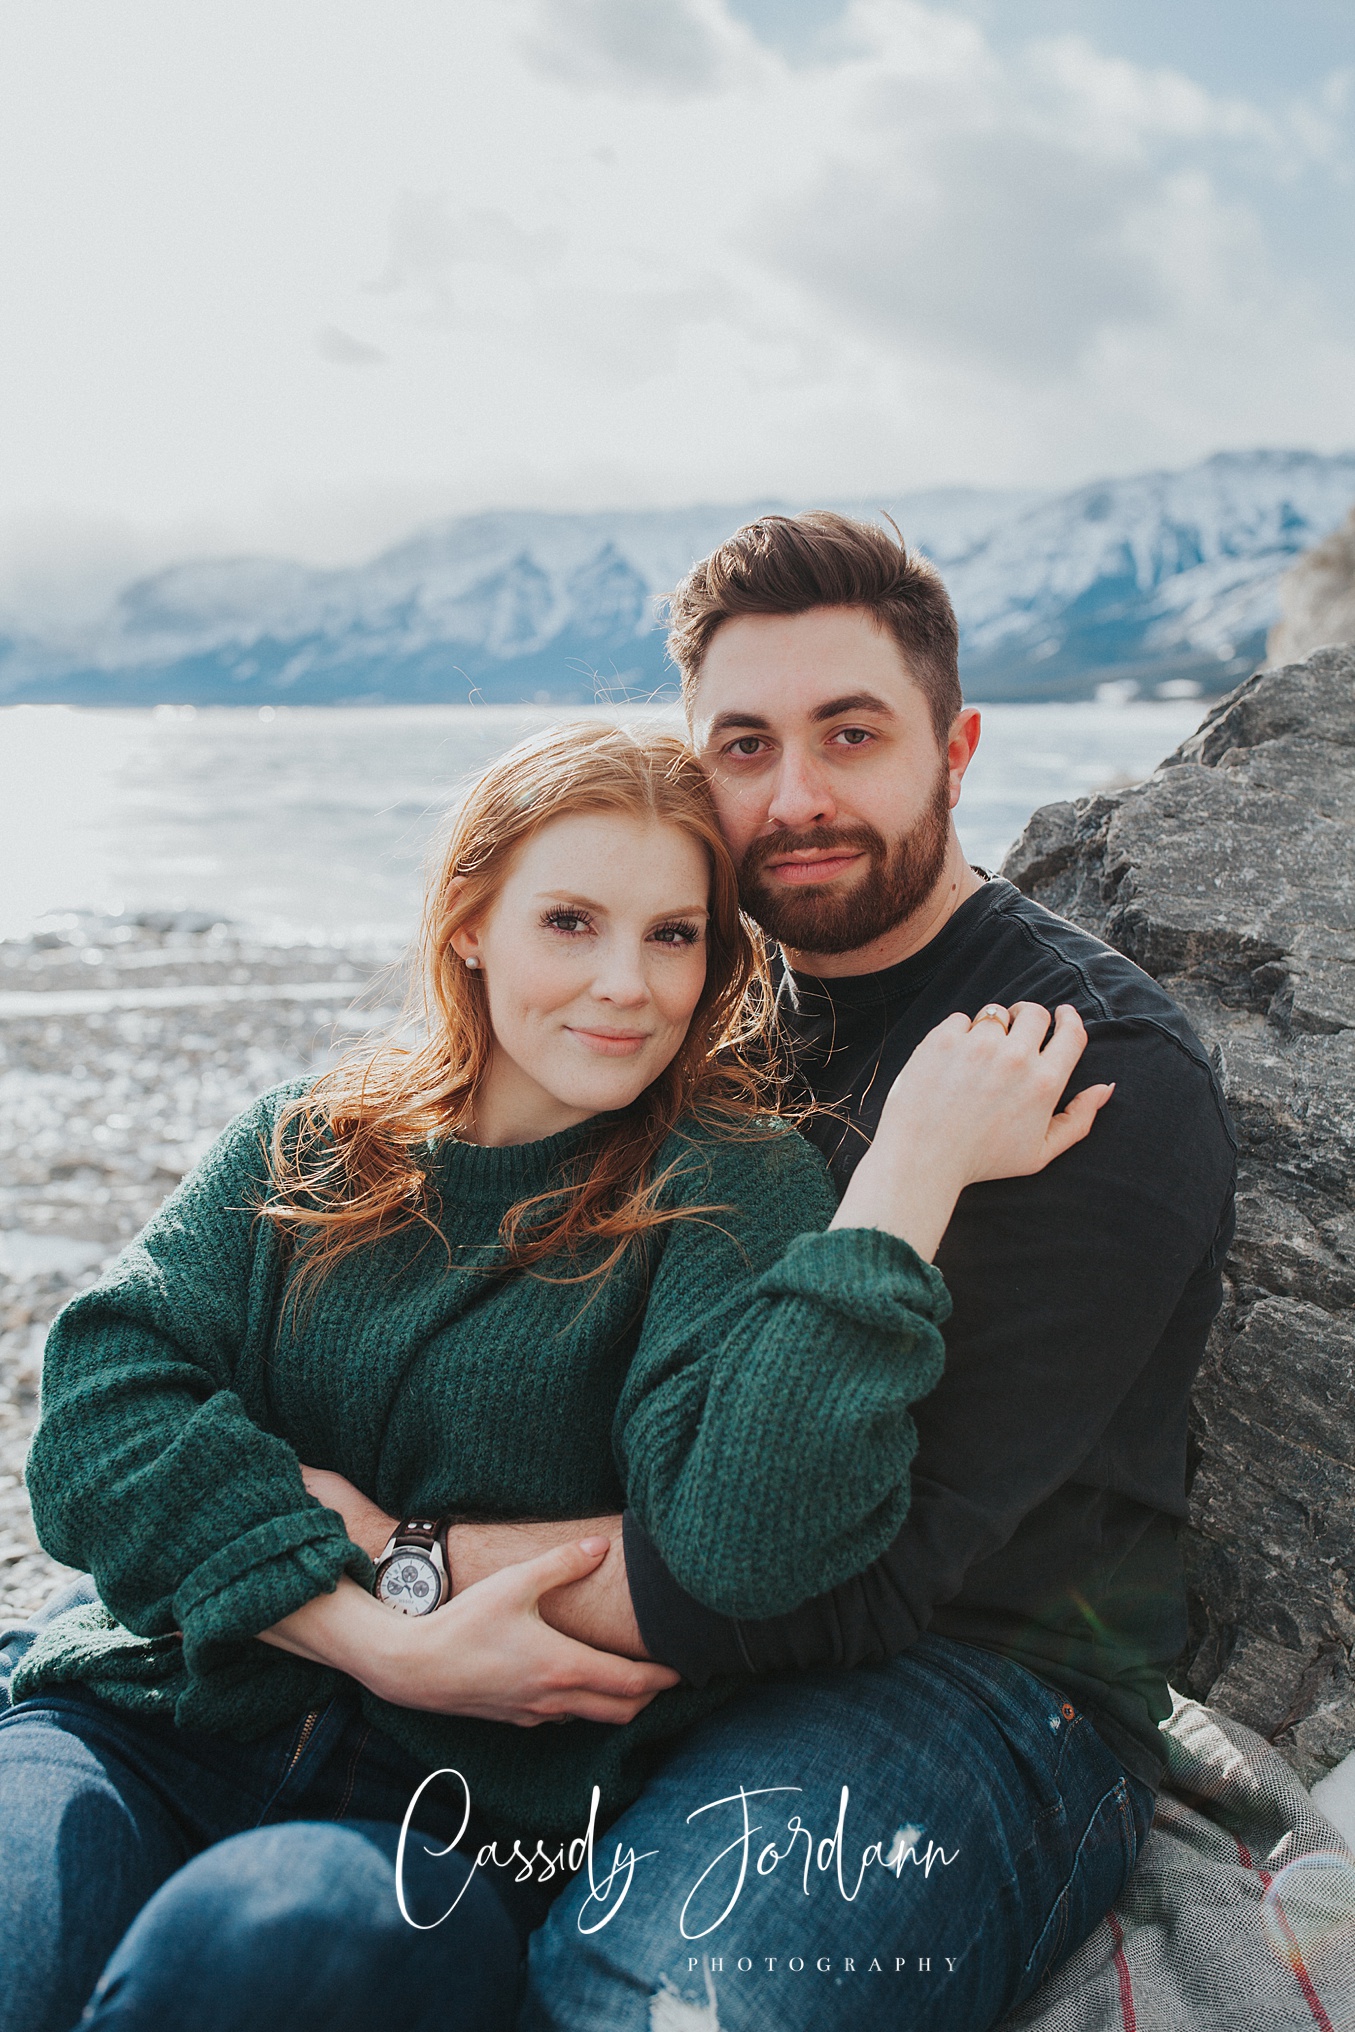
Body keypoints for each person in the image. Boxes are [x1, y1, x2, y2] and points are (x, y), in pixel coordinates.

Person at [0, 720, 1106, 2032]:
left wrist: (906, 1186)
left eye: (674, 934)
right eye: (571, 923)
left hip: (453, 1827)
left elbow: (741, 1541)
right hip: (146, 1712)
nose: (627, 986)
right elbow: (97, 1412)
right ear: (471, 924)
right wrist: (381, 1637)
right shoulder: (312, 1141)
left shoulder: (728, 1187)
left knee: (269, 1948)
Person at [364, 513, 1238, 2030]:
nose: (799, 796)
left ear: (956, 745)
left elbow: (865, 1568)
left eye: (851, 734)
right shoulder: (672, 999)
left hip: (977, 1693)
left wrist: (409, 1558)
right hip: (637, 1626)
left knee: (657, 1995)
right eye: (745, 747)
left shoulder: (1087, 1069)